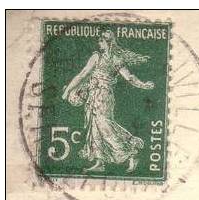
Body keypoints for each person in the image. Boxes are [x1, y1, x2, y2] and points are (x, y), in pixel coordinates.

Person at [61, 30, 155, 173]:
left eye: (101, 40)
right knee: (95, 127)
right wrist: (69, 90)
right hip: (94, 96)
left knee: (105, 126)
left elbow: (128, 77)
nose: (99, 43)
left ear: (108, 42)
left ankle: (131, 153)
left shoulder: (109, 58)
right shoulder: (103, 57)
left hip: (103, 96)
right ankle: (100, 162)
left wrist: (142, 84)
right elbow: (84, 75)